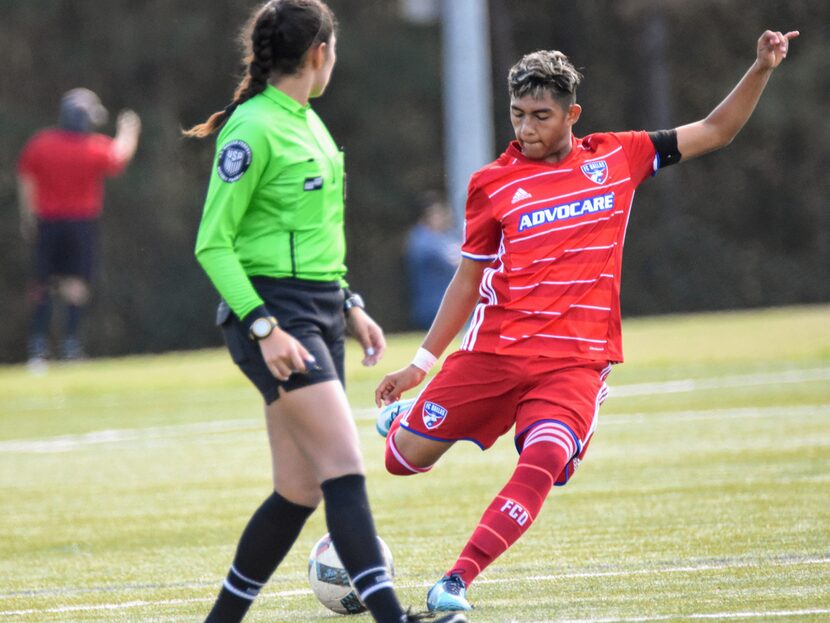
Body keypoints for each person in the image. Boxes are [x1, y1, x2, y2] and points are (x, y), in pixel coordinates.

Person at [375, 29, 799, 612]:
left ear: (572, 114)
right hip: (494, 353)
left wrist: (761, 68)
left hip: (574, 361)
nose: (525, 128)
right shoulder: (491, 184)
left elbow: (716, 131)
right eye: (517, 114)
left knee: (545, 458)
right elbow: (468, 280)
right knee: (402, 461)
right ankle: (405, 419)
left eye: (541, 115)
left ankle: (457, 581)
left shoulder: (618, 156)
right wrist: (420, 365)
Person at [186, 2, 466, 623]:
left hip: (315, 313)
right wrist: (263, 327)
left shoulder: (309, 124)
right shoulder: (253, 127)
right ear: (320, 53)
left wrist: (350, 305)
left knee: (299, 489)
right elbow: (213, 243)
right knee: (343, 468)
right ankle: (393, 617)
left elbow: (312, 241)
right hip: (273, 315)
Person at [16, 88, 141, 368]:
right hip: (81, 225)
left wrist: (28, 216)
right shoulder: (92, 147)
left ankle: (38, 349)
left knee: (42, 284)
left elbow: (26, 179)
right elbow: (119, 156)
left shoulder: (41, 143)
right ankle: (70, 347)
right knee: (75, 286)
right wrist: (129, 131)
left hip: (46, 222)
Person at [405, 193, 460, 329]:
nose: (443, 217)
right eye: (438, 214)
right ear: (427, 216)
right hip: (432, 306)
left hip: (452, 304)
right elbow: (456, 260)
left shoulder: (446, 236)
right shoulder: (421, 239)